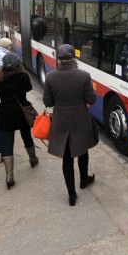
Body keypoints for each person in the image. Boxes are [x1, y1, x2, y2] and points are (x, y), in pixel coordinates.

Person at [42, 44, 97, 206]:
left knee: (67, 158)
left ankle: (72, 195)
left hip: (61, 122)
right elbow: (91, 99)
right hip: (80, 120)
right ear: (74, 57)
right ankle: (84, 180)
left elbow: (48, 101)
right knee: (82, 150)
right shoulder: (84, 75)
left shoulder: (51, 77)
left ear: (58, 59)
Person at [0, 52, 39, 189]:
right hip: (21, 113)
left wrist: (2, 109)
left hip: (6, 114)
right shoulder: (22, 76)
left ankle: (9, 175)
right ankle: (33, 159)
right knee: (26, 136)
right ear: (17, 64)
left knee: (7, 143)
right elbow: (28, 88)